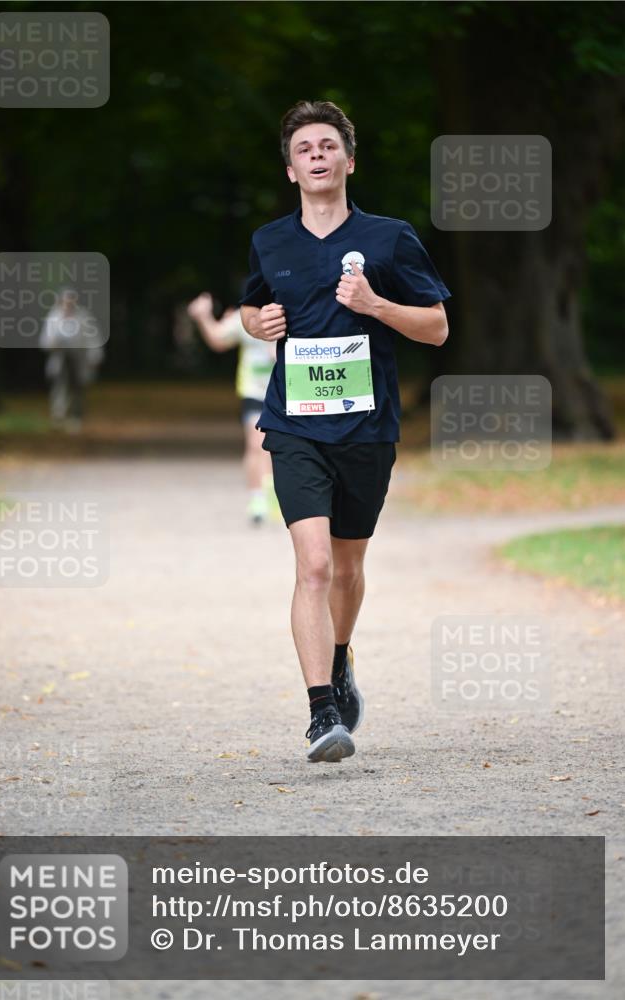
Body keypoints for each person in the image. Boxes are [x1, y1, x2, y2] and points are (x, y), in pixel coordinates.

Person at [240, 100, 450, 763]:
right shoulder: (270, 241)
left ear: (348, 161)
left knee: (348, 569)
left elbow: (437, 327)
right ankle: (320, 710)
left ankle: (338, 653)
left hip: (366, 428)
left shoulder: (389, 238)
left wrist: (375, 305)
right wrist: (257, 325)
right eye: (305, 149)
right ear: (290, 170)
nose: (317, 156)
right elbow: (250, 306)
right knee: (314, 564)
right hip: (293, 427)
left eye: (328, 145)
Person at [187, 292, 278, 525]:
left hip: (287, 392)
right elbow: (218, 339)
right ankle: (257, 498)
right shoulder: (244, 317)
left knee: (280, 447)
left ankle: (275, 493)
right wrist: (203, 317)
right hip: (254, 392)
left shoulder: (294, 312)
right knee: (256, 444)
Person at [39, 288, 104, 432]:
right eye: (66, 301)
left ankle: (76, 418)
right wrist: (52, 343)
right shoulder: (54, 317)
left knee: (78, 388)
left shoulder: (84, 317)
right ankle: (59, 415)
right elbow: (45, 340)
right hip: (60, 357)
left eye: (71, 301)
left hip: (79, 358)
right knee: (60, 387)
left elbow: (93, 339)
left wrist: (95, 356)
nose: (68, 304)